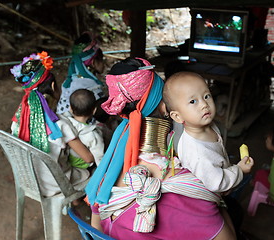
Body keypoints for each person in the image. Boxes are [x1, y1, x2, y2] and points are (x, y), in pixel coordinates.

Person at [84, 57, 237, 240]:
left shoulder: (110, 166)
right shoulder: (185, 187)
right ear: (166, 109)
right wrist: (220, 202)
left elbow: (96, 224)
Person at [10, 51, 93, 197]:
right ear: (54, 87)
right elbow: (88, 158)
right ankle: (79, 201)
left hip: (29, 181)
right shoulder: (59, 124)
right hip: (57, 185)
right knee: (89, 170)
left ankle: (74, 202)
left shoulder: (17, 121)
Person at [162, 71, 254, 193]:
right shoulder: (198, 154)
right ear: (177, 117)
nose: (204, 104)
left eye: (206, 96)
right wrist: (239, 170)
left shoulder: (208, 125)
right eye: (193, 101)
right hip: (214, 196)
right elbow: (217, 183)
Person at [56, 31, 106, 116]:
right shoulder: (93, 87)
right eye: (102, 60)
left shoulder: (69, 83)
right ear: (94, 62)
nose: (104, 64)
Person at [67, 88, 105, 168]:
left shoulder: (65, 122)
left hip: (68, 160)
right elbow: (99, 158)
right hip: (82, 165)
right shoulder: (93, 135)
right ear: (94, 110)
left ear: (70, 108)